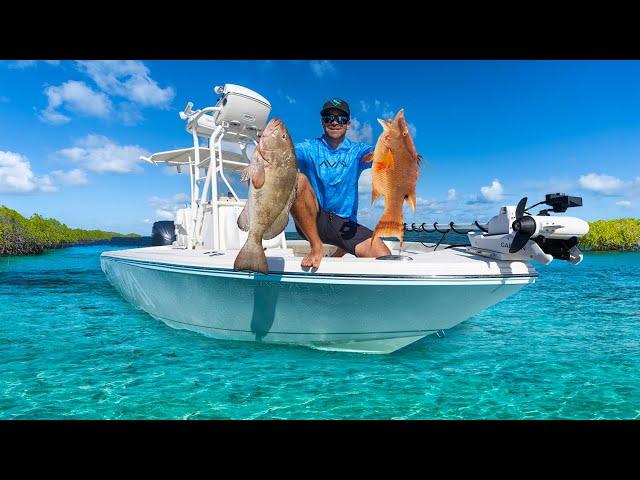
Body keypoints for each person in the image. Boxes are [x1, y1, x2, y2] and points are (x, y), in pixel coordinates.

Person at [291, 98, 391, 269]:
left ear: (348, 123)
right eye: (329, 117)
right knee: (297, 180)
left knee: (385, 257)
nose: (335, 122)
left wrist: (393, 141)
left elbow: (384, 158)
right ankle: (316, 247)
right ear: (322, 121)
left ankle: (339, 252)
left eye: (341, 118)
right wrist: (267, 143)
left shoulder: (358, 151)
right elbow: (282, 153)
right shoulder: (308, 148)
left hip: (344, 224)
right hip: (312, 219)